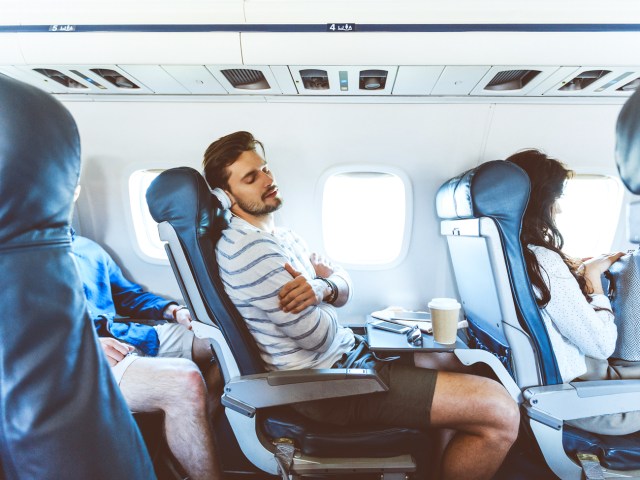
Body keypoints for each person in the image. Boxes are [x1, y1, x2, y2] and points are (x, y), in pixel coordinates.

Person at [203, 131, 519, 480]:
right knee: (500, 412)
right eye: (251, 178)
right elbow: (318, 338)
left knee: (446, 360)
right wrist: (329, 289)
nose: (268, 179)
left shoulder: (281, 237)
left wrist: (324, 288)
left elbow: (341, 283)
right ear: (225, 196)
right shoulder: (251, 251)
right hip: (326, 387)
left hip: (347, 360)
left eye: (264, 169)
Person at [72, 188, 222, 480]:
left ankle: (178, 452)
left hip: (133, 337)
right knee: (185, 380)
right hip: (91, 356)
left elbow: (130, 296)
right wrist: (82, 346)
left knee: (224, 344)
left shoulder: (89, 249)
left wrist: (173, 310)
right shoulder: (18, 257)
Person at [507, 149, 640, 435]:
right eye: (556, 200)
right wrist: (593, 281)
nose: (559, 209)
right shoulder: (542, 260)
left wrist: (574, 273)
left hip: (565, 384)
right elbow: (602, 345)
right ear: (539, 202)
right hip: (582, 399)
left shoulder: (514, 254)